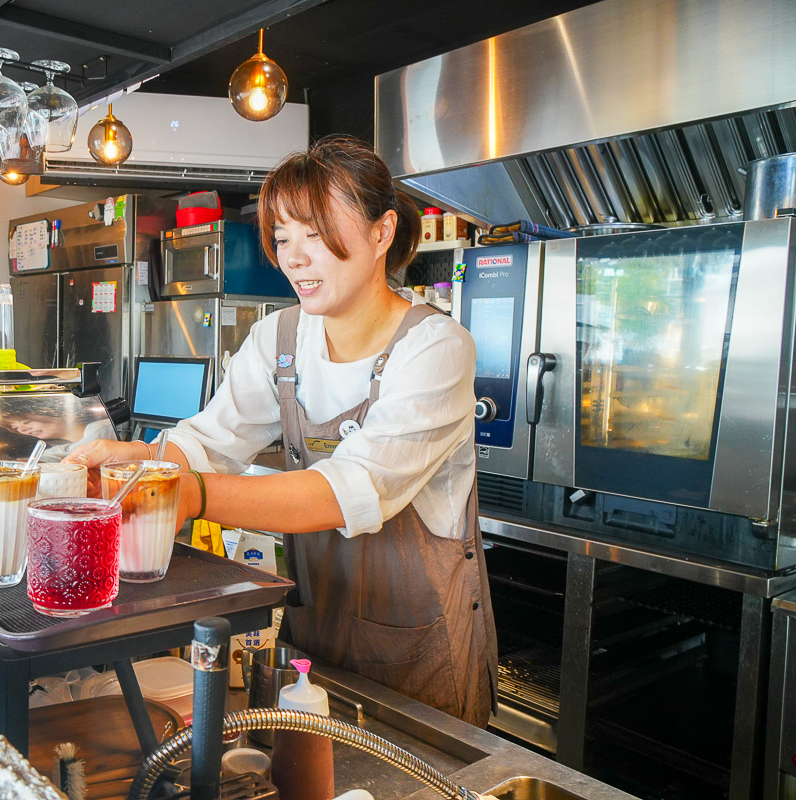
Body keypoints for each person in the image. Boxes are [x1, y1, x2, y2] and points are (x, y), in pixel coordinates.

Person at [65, 136, 497, 726]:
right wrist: (141, 457)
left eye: (314, 235)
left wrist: (195, 494)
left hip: (418, 650)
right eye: (283, 237)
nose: (293, 257)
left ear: (381, 232)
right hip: (313, 634)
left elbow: (350, 489)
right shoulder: (279, 338)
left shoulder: (436, 348)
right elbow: (210, 439)